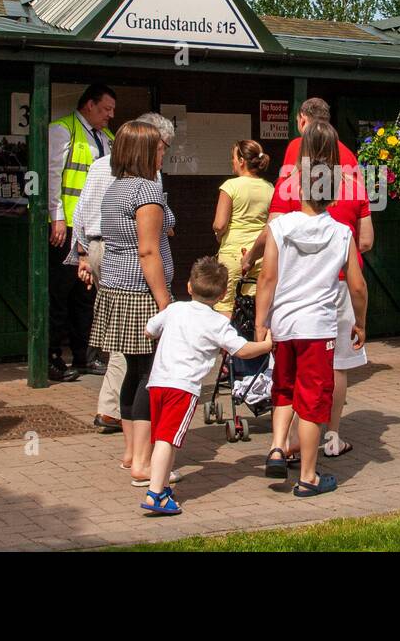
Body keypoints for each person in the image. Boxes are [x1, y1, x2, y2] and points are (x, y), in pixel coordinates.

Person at [241, 97, 372, 457]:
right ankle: (330, 437)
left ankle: (282, 443)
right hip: (339, 282)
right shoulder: (352, 170)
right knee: (337, 365)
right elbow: (367, 238)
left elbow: (274, 229)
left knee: (287, 370)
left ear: (302, 122)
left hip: (293, 286)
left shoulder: (292, 170)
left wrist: (252, 257)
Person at [140, 257, 273, 515]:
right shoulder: (218, 323)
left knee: (161, 438)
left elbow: (149, 329)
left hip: (157, 382)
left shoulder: (175, 309)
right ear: (223, 294)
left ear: (189, 286)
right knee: (169, 439)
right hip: (184, 387)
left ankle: (162, 486)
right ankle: (156, 493)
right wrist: (266, 346)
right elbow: (241, 349)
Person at [89, 121, 175, 485]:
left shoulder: (115, 189)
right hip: (142, 292)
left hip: (114, 287)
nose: (163, 153)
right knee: (149, 376)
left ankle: (130, 453)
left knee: (131, 371)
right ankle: (143, 462)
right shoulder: (145, 191)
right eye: (158, 148)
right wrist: (165, 302)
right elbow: (149, 250)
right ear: (143, 152)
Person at [47, 83, 116, 382]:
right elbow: (52, 175)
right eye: (105, 109)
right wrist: (56, 217)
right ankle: (51, 358)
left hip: (95, 227)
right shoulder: (64, 130)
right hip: (69, 226)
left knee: (86, 293)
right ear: (89, 104)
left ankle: (84, 355)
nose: (110, 116)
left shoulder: (108, 138)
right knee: (60, 292)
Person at [68, 144, 121, 433]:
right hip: (122, 254)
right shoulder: (144, 173)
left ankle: (112, 405)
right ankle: (115, 407)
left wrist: (85, 255)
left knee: (117, 327)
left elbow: (81, 210)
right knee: (130, 332)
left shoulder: (99, 164)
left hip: (98, 246)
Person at [212, 140, 273, 316]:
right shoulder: (270, 188)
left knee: (226, 306)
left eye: (232, 158)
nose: (231, 162)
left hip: (232, 254)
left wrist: (218, 234)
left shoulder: (230, 186)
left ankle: (228, 343)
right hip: (260, 255)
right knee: (257, 306)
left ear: (241, 161)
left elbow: (220, 223)